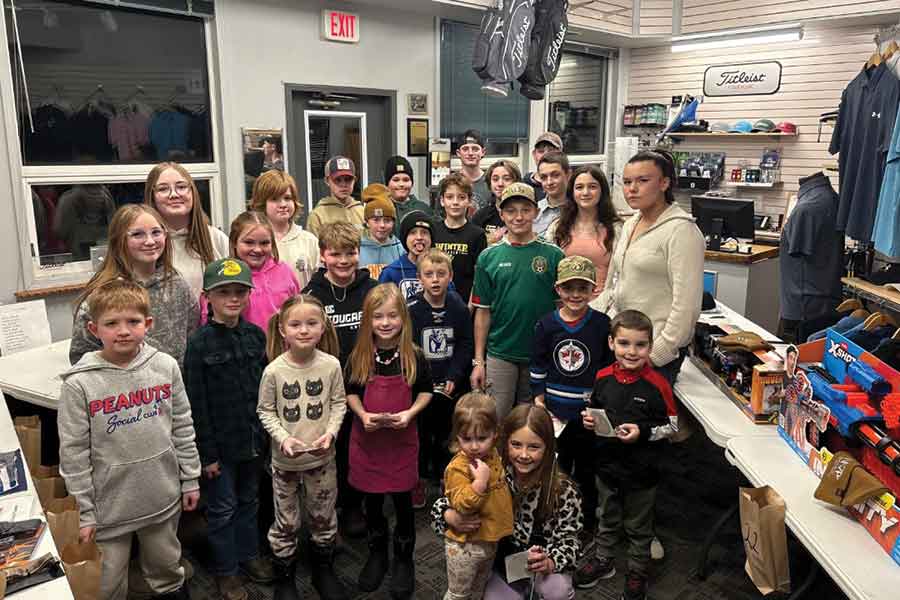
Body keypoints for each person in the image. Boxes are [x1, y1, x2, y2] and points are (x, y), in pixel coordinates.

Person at [58, 279, 200, 600]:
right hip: (108, 509)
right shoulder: (79, 384)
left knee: (167, 569)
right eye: (111, 323)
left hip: (161, 496)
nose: (123, 331)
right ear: (94, 329)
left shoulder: (165, 366)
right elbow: (73, 453)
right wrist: (83, 512)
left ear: (147, 324)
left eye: (133, 322)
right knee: (106, 585)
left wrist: (190, 479)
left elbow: (182, 426)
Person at [564, 310, 679, 600]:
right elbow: (595, 408)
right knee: (607, 516)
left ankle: (638, 570)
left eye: (640, 345)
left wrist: (642, 431)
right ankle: (604, 560)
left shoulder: (658, 385)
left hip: (642, 471)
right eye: (624, 343)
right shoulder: (602, 377)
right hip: (606, 466)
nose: (632, 351)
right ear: (612, 343)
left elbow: (672, 426)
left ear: (650, 347)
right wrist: (590, 420)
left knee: (639, 526)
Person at [184, 258, 273, 600]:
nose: (233, 299)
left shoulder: (255, 335)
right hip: (220, 448)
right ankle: (226, 571)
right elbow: (197, 405)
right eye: (224, 293)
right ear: (209, 297)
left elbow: (264, 392)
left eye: (240, 292)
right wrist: (206, 455)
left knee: (250, 501)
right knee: (221, 510)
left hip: (253, 441)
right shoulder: (200, 344)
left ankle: (249, 556)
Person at [432, 404, 584, 600]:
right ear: (504, 442)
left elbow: (571, 542)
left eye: (534, 447)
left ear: (548, 448)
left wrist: (551, 561)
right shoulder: (492, 470)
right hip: (500, 561)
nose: (523, 454)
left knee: (557, 590)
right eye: (516, 444)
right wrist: (448, 515)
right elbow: (447, 500)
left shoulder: (563, 490)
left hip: (541, 565)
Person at [258, 294, 349, 600]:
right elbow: (265, 411)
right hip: (285, 464)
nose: (304, 330)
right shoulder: (273, 371)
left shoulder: (331, 365)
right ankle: (285, 574)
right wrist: (283, 438)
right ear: (283, 329)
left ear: (323, 327)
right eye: (295, 324)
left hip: (322, 459)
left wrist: (331, 434)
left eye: (312, 323)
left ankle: (323, 568)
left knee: (323, 516)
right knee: (287, 520)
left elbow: (338, 404)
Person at [345, 283, 433, 598]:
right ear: (367, 320)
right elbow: (351, 394)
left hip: (401, 443)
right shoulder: (359, 356)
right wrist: (363, 415)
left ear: (403, 319)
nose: (385, 323)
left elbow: (426, 390)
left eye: (392, 316)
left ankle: (404, 559)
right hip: (368, 443)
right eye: (378, 317)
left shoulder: (414, 356)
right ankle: (377, 552)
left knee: (402, 503)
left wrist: (411, 413)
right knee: (372, 503)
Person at [593, 149, 705, 386]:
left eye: (643, 181)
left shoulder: (682, 230)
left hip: (650, 353)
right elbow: (616, 285)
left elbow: (687, 306)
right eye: (627, 182)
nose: (632, 189)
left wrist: (657, 354)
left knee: (642, 421)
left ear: (664, 183)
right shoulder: (631, 223)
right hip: (623, 345)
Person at [302, 222, 378, 538]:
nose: (344, 261)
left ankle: (355, 506)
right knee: (333, 447)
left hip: (364, 381)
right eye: (335, 254)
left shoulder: (370, 288)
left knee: (360, 448)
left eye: (350, 253)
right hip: (327, 387)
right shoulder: (311, 293)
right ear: (323, 256)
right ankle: (325, 509)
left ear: (359, 254)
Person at [471, 183, 565, 418]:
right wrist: (479, 361)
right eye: (511, 211)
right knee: (495, 418)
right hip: (500, 352)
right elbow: (482, 312)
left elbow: (561, 308)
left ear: (535, 212)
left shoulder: (554, 255)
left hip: (540, 354)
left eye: (525, 209)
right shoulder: (488, 257)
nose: (519, 216)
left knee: (531, 421)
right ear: (501, 214)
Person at [69, 204, 199, 369]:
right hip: (124, 390)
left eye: (156, 232)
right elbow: (81, 357)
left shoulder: (178, 286)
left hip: (172, 387)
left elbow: (192, 337)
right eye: (138, 234)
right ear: (119, 240)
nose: (150, 241)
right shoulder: (104, 293)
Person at [409, 249, 474, 507]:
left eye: (441, 274)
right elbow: (409, 347)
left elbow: (465, 343)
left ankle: (450, 477)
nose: (435, 280)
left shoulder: (458, 306)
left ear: (450, 276)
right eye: (429, 275)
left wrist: (455, 375)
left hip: (450, 384)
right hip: (422, 385)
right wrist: (419, 379)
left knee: (449, 434)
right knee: (421, 434)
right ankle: (419, 480)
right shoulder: (412, 309)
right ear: (419, 278)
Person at [442, 392, 514, 600]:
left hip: (489, 540)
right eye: (467, 439)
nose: (474, 446)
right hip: (465, 546)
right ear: (457, 436)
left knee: (478, 589)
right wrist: (479, 483)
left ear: (495, 435)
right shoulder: (458, 467)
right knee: (458, 594)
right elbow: (462, 505)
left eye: (481, 438)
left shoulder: (492, 455)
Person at [201, 211, 300, 333]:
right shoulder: (222, 275)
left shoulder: (284, 271)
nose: (257, 249)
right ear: (234, 242)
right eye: (249, 242)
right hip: (239, 349)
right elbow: (208, 319)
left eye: (264, 243)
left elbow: (297, 312)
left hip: (281, 348)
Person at [145, 161, 230, 299]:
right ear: (152, 196)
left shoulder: (216, 238)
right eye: (163, 189)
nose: (174, 194)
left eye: (181, 187)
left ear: (192, 192)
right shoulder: (146, 244)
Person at [545, 165, 621, 293]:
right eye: (579, 187)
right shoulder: (557, 228)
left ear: (602, 191)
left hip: (603, 306)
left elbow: (621, 275)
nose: (585, 193)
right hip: (565, 305)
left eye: (592, 187)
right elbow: (549, 270)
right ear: (572, 192)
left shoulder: (617, 229)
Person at [250, 169, 319, 289]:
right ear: (261, 203)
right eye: (275, 199)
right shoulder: (253, 241)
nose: (283, 204)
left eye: (287, 198)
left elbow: (319, 282)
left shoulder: (309, 240)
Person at [432, 173, 488, 303]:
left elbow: (478, 278)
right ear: (442, 200)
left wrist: (470, 307)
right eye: (450, 197)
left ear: (469, 201)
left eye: (461, 197)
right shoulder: (433, 231)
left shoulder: (477, 235)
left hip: (465, 303)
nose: (455, 202)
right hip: (435, 303)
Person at [380, 210, 456, 303]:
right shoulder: (391, 272)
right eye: (413, 232)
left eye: (424, 232)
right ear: (405, 238)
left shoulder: (442, 270)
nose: (419, 237)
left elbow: (452, 302)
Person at [307, 156, 365, 236]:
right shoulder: (317, 215)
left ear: (354, 180)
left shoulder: (362, 212)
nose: (343, 184)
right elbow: (313, 247)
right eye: (337, 180)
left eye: (348, 179)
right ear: (327, 181)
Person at [359, 183, 403, 279]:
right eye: (376, 220)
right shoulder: (357, 248)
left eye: (387, 220)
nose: (382, 225)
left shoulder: (399, 249)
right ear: (366, 222)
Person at [473, 160, 521, 246]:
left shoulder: (525, 214)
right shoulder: (481, 216)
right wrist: (490, 241)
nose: (500, 184)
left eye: (507, 179)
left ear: (516, 182)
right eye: (495, 179)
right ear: (489, 184)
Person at [384, 155, 433, 234]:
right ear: (387, 183)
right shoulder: (382, 208)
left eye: (406, 180)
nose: (401, 184)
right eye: (396, 180)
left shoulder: (423, 209)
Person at [533, 152, 571, 237]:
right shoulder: (534, 212)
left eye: (555, 175)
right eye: (544, 177)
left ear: (568, 175)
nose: (549, 182)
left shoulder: (580, 210)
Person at [455, 129, 491, 210]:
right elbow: (439, 218)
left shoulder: (492, 182)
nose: (470, 153)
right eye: (465, 149)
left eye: (475, 149)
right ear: (458, 153)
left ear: (483, 152)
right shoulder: (448, 182)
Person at [522, 132, 564, 202]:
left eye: (551, 150)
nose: (546, 155)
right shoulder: (523, 185)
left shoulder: (570, 186)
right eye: (541, 151)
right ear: (534, 155)